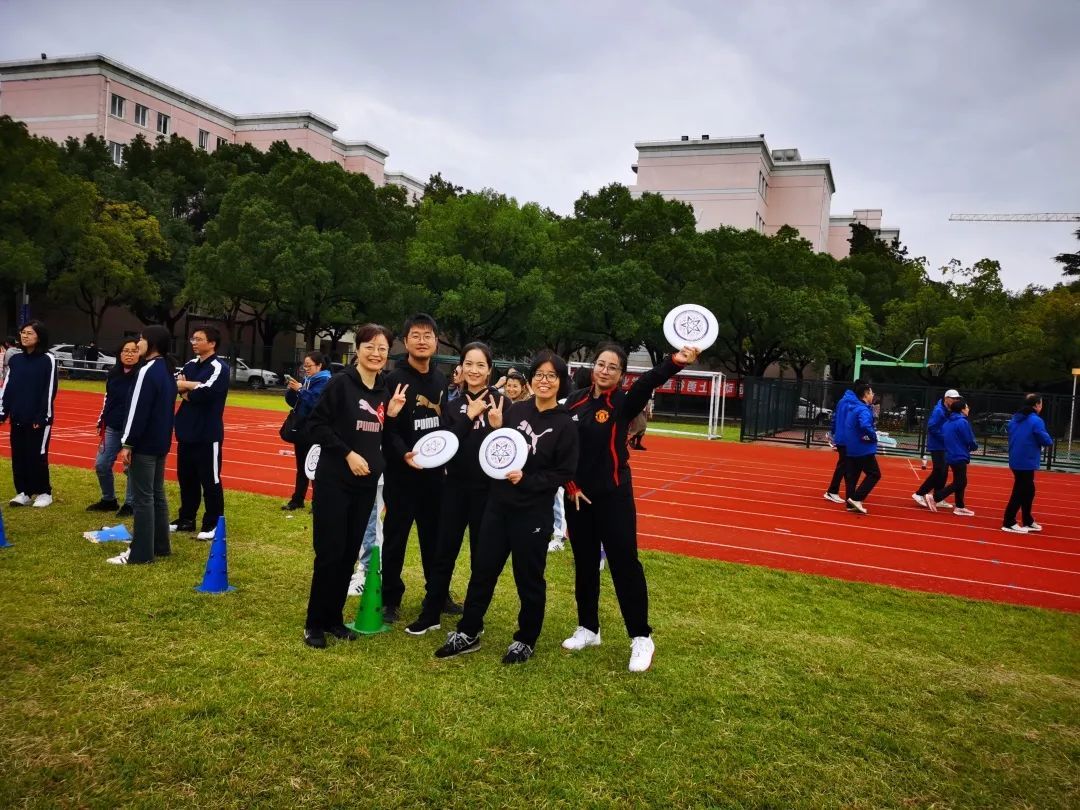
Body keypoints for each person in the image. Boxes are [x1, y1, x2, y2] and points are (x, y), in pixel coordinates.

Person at [558, 343, 700, 673]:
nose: (604, 370)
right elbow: (562, 448)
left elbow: (648, 382)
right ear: (593, 366)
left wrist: (675, 362)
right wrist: (570, 485)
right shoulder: (574, 401)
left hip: (614, 495)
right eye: (600, 364)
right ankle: (588, 628)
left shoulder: (624, 402)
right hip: (577, 497)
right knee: (585, 563)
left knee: (625, 564)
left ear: (621, 374)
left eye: (612, 367)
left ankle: (641, 636)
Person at [434, 350, 579, 664]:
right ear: (530, 379)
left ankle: (525, 639)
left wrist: (528, 479)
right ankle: (468, 631)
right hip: (498, 506)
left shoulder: (565, 424)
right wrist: (495, 427)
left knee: (528, 578)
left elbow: (564, 472)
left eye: (551, 376)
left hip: (533, 513)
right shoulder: (515, 410)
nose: (544, 380)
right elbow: (498, 451)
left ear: (561, 382)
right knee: (482, 571)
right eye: (539, 374)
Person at [302, 324, 407, 648]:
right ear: (357, 349)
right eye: (369, 347)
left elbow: (382, 434)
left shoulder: (384, 389)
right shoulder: (340, 384)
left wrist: (392, 416)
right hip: (335, 481)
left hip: (366, 484)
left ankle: (333, 619)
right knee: (330, 553)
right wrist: (347, 454)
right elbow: (316, 425)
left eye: (382, 349)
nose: (376, 354)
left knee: (349, 553)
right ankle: (314, 624)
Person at [405, 342, 503, 635]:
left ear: (489, 369)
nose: (474, 370)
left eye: (480, 365)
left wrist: (498, 426)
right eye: (468, 364)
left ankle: (473, 620)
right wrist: (468, 416)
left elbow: (508, 447)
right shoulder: (452, 405)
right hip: (455, 488)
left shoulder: (501, 403)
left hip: (488, 492)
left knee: (481, 557)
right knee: (443, 551)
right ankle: (431, 612)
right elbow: (445, 445)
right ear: (461, 368)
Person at [381, 313, 451, 623]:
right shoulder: (393, 379)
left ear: (436, 341)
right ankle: (390, 599)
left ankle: (438, 594)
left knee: (434, 538)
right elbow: (388, 427)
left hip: (434, 477)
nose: (422, 341)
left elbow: (443, 423)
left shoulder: (440, 379)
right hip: (402, 475)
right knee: (395, 538)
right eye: (416, 335)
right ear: (405, 341)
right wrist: (403, 455)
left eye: (428, 336)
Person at [108, 326, 178, 564]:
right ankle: (160, 546)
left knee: (143, 498)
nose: (138, 343)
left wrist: (127, 443)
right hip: (160, 442)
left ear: (152, 343)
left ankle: (140, 553)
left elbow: (137, 410)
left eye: (141, 339)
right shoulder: (166, 369)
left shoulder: (147, 370)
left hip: (145, 444)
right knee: (156, 495)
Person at [172, 325, 230, 540]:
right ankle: (186, 519)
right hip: (186, 431)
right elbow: (175, 385)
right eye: (193, 339)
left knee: (210, 480)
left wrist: (187, 387)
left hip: (207, 434)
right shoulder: (190, 364)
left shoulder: (219, 367)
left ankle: (212, 523)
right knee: (186, 478)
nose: (194, 343)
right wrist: (190, 386)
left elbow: (207, 393)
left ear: (212, 343)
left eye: (199, 339)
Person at [1, 321, 58, 508]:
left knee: (37, 455)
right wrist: (3, 411)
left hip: (38, 420)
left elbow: (49, 390)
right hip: (18, 417)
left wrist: (42, 417)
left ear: (39, 337)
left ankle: (44, 492)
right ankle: (23, 492)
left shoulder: (48, 359)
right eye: (23, 332)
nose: (25, 336)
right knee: (19, 456)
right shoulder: (15, 360)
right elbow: (8, 387)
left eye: (30, 333)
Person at [87, 338, 142, 515]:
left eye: (134, 351)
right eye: (126, 351)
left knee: (131, 468)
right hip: (112, 427)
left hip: (133, 430)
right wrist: (101, 419)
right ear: (120, 353)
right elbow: (107, 398)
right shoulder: (113, 374)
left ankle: (130, 504)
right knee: (102, 464)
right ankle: (108, 500)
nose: (129, 354)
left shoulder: (142, 375)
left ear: (140, 354)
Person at [282, 351, 332, 511]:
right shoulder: (307, 381)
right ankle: (297, 499)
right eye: (305, 366)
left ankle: (318, 503)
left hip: (315, 429)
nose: (306, 369)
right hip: (301, 427)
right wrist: (292, 390)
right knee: (301, 466)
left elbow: (316, 402)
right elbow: (294, 402)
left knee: (314, 467)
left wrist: (301, 390)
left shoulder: (326, 381)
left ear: (319, 365)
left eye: (309, 366)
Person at [1001, 394, 1054, 534]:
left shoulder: (1015, 418)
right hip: (1026, 459)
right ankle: (1009, 521)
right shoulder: (1035, 420)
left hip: (1016, 458)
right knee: (1020, 491)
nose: (1041, 406)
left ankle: (1027, 520)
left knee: (1029, 490)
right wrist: (1049, 440)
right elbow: (1045, 439)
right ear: (1036, 405)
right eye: (1041, 403)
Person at [913, 388, 961, 512]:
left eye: (957, 399)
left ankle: (938, 498)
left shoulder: (948, 410)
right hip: (937, 445)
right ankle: (919, 493)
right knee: (939, 471)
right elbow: (932, 427)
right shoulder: (939, 411)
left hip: (943, 445)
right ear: (946, 399)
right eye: (954, 398)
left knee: (943, 472)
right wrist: (945, 438)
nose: (956, 400)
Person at [843, 382, 880, 515]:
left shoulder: (853, 407)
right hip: (862, 448)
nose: (873, 395)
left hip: (852, 447)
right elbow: (865, 425)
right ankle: (856, 499)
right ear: (865, 394)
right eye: (871, 392)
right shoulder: (863, 409)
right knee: (875, 474)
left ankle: (850, 503)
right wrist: (873, 436)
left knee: (853, 476)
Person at [937, 398, 978, 517]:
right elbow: (969, 439)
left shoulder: (947, 422)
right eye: (967, 407)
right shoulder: (962, 422)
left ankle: (960, 506)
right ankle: (936, 497)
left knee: (961, 481)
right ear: (962, 410)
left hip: (951, 454)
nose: (968, 409)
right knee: (960, 482)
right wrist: (974, 446)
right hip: (959, 454)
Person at [824, 384, 860, 504]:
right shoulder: (853, 403)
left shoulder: (842, 401)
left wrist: (834, 433)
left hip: (841, 437)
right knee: (844, 465)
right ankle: (832, 491)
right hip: (846, 439)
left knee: (846, 465)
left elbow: (834, 418)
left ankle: (848, 493)